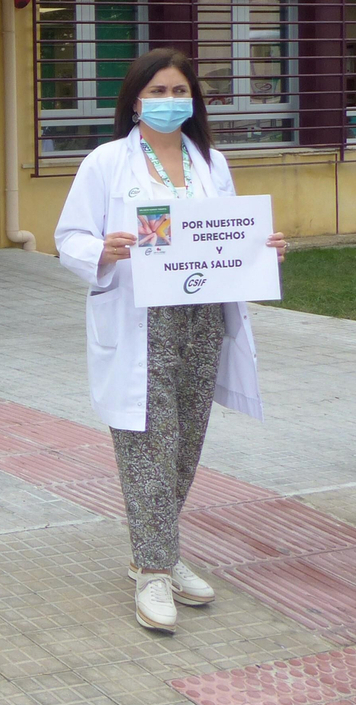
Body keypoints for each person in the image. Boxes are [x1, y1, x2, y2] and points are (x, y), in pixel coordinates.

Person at [54, 48, 286, 634]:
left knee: (185, 441)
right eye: (156, 92)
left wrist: (263, 248)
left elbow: (225, 234)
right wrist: (100, 250)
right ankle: (155, 572)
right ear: (135, 101)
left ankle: (159, 549)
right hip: (143, 319)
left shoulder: (211, 160)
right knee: (147, 443)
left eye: (178, 91)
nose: (168, 101)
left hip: (202, 315)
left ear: (193, 100)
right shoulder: (106, 162)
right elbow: (69, 235)